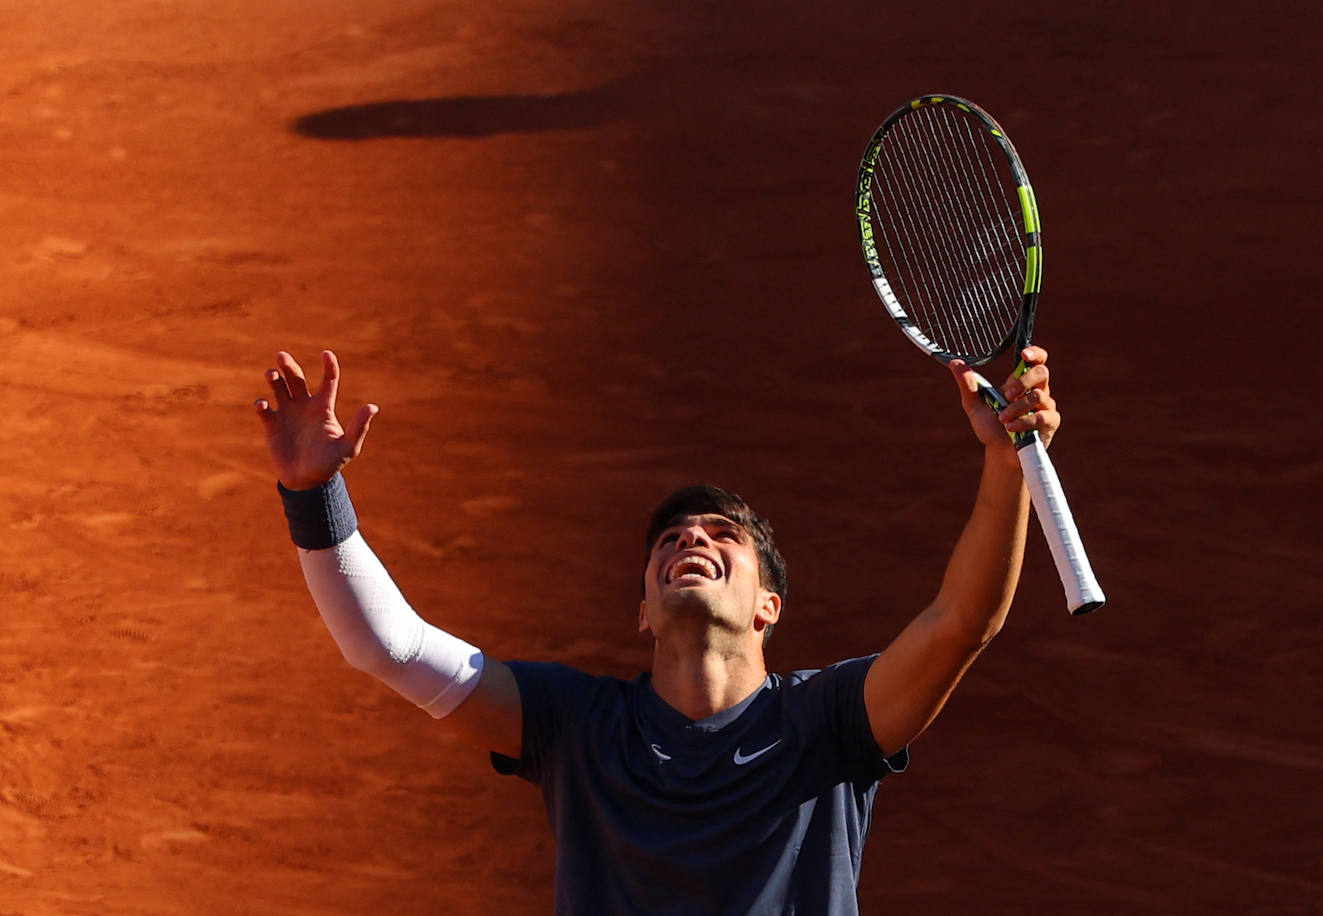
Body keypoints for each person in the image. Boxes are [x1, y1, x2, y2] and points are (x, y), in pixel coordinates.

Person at [253, 345, 1061, 914]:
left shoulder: (830, 723)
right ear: (644, 612)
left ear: (767, 607)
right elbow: (389, 648)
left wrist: (1005, 464)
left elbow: (961, 622)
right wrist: (315, 498)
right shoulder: (576, 727)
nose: (692, 541)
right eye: (670, 541)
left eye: (721, 535)